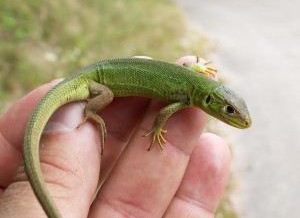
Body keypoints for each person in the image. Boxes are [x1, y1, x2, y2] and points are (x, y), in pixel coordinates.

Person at [0, 56, 231, 217]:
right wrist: (157, 129)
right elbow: (163, 112)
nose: (233, 117)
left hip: (92, 77)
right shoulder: (187, 96)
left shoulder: (192, 90)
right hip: (91, 83)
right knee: (107, 95)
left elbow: (189, 65)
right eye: (228, 110)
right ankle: (89, 111)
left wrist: (196, 67)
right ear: (210, 100)